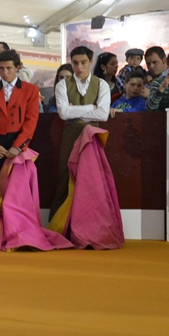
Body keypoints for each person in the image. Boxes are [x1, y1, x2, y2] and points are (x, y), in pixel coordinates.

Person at [49, 46, 110, 219]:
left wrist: (75, 110)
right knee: (64, 178)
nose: (79, 67)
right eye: (75, 63)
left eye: (83, 63)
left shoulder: (102, 84)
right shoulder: (63, 85)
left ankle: (93, 225)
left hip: (93, 135)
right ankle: (58, 226)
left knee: (92, 180)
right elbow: (63, 113)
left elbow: (103, 114)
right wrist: (92, 107)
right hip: (71, 135)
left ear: (91, 62)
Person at [0, 50, 40, 190]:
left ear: (17, 67)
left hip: (17, 140)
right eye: (1, 68)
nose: (5, 72)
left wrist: (18, 146)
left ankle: (14, 212)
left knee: (17, 185)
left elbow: (31, 121)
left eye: (9, 68)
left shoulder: (31, 90)